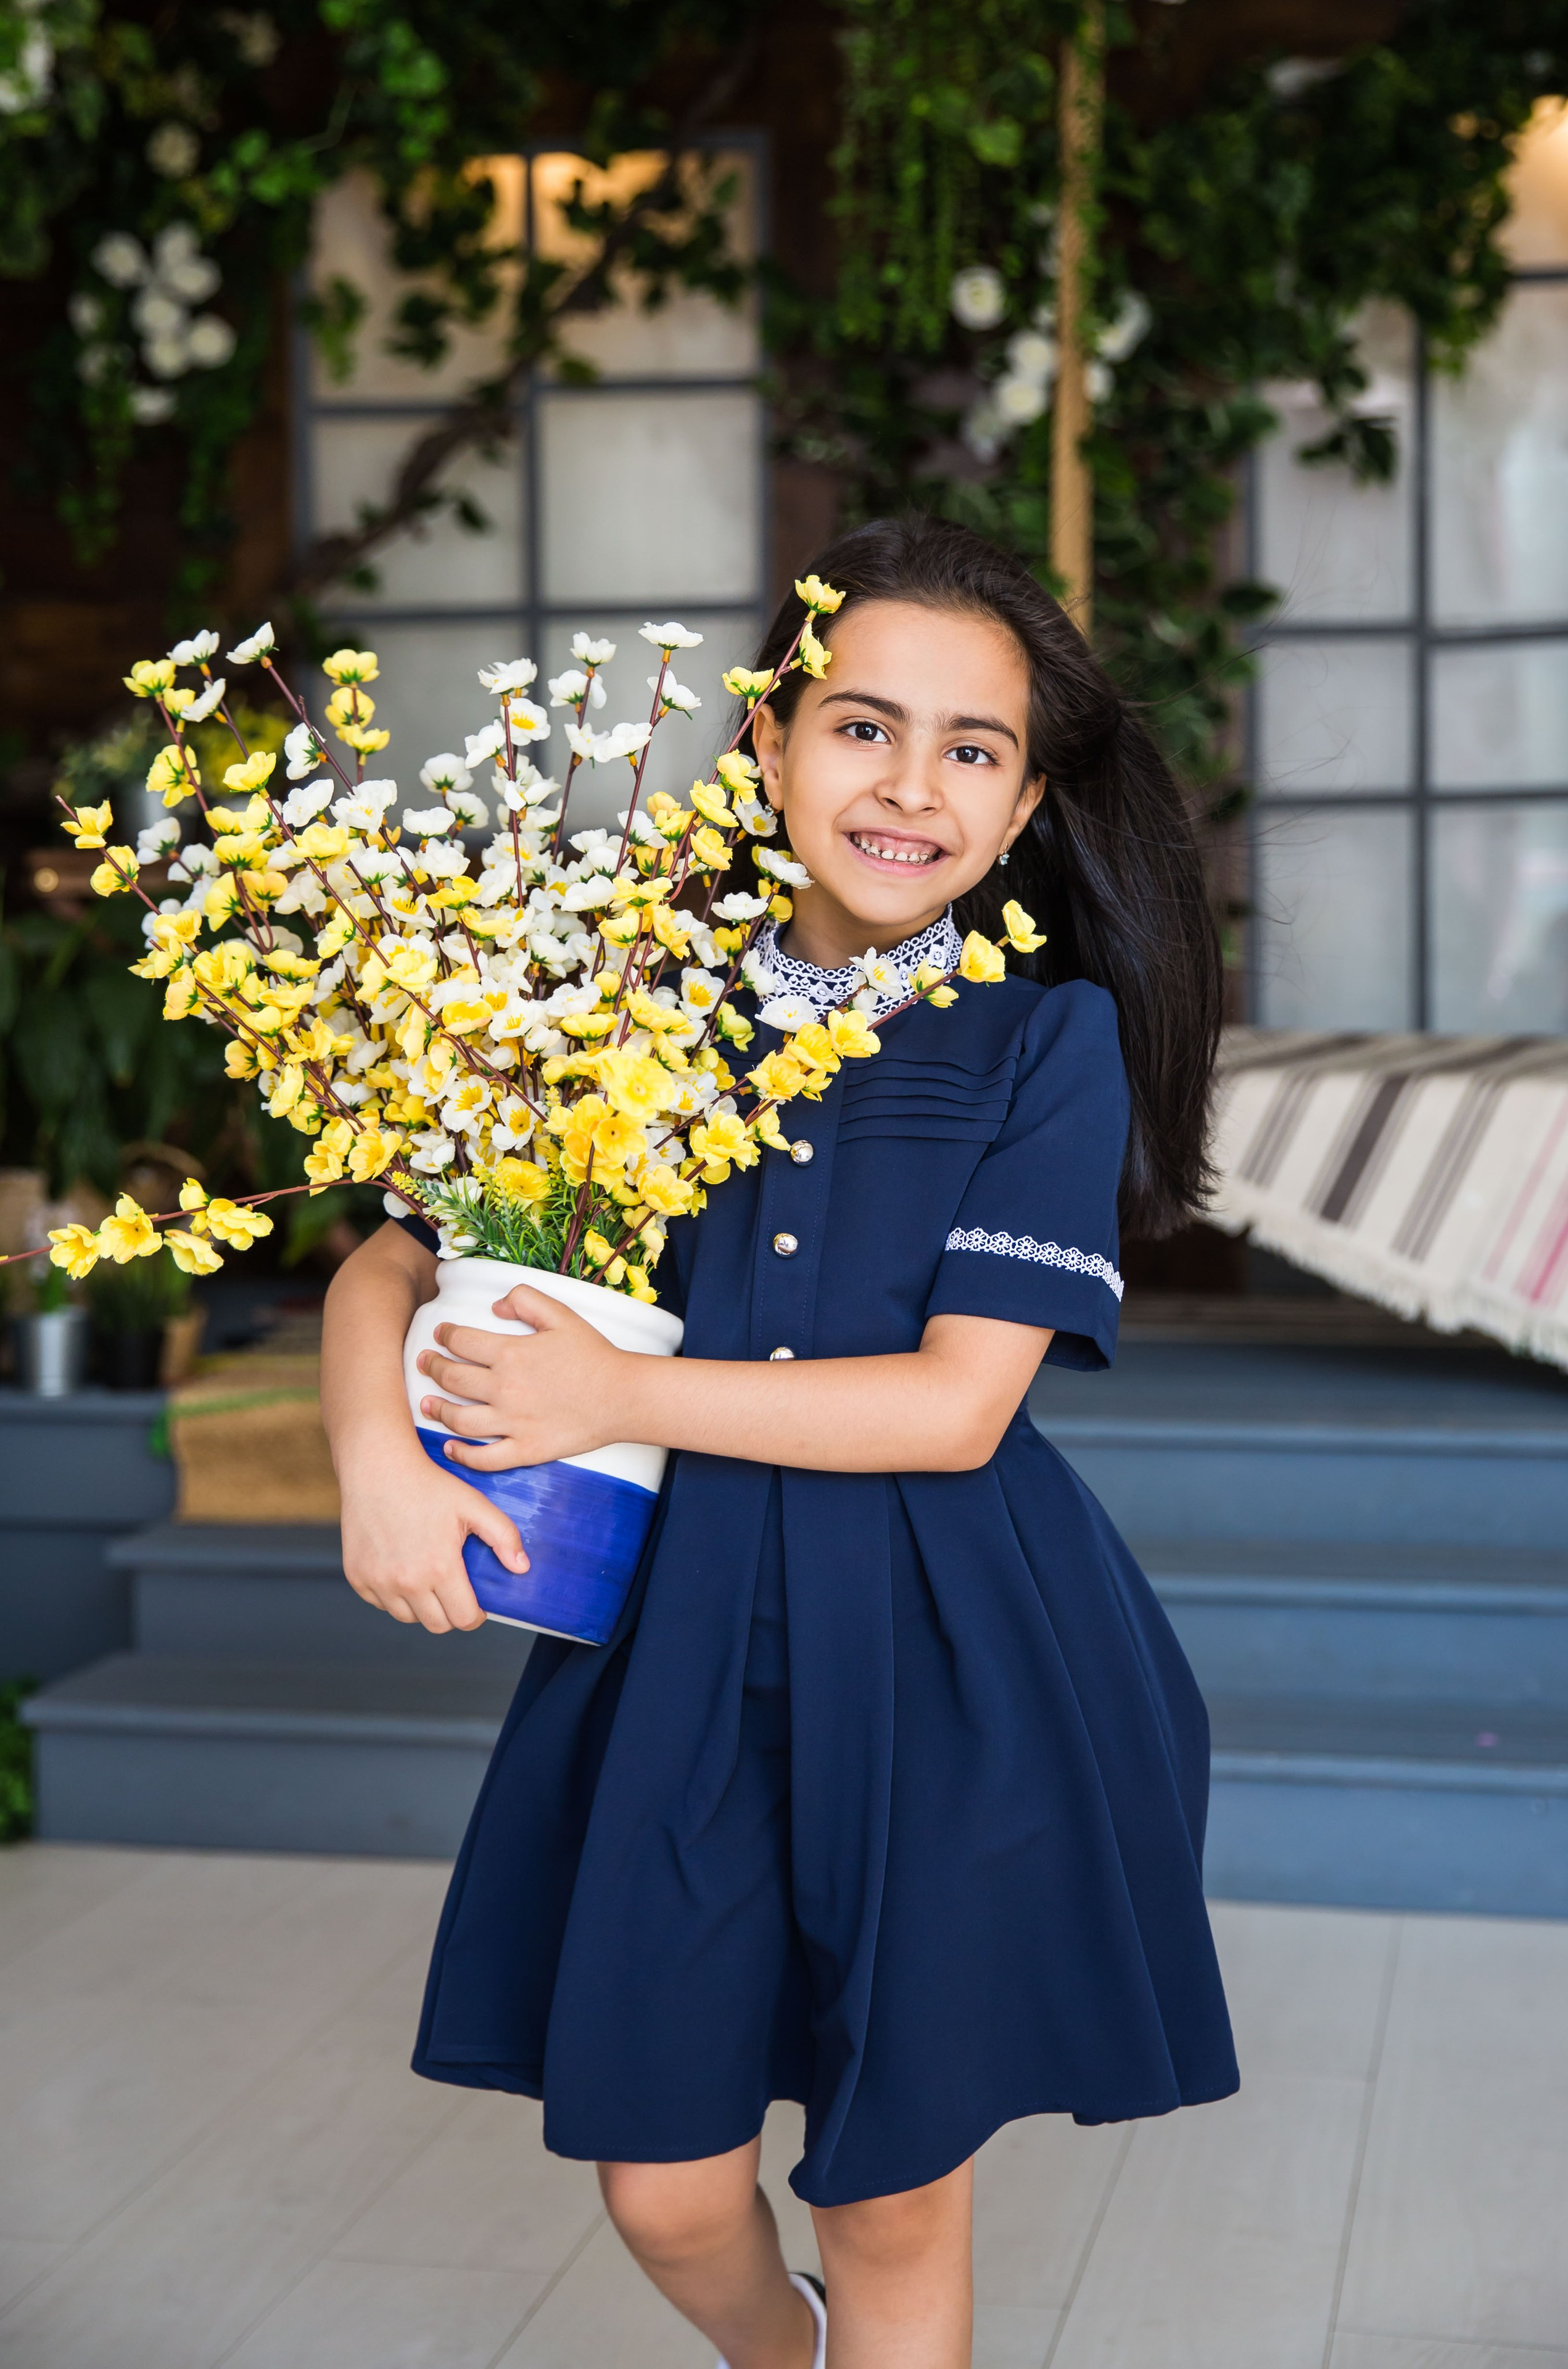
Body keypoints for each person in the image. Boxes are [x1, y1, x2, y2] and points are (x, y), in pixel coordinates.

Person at [320, 515, 1239, 2369]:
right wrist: (375, 1464)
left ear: (1029, 801)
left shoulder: (1040, 1045)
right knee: (662, 2183)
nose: (910, 788)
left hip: (961, 1660)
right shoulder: (620, 1003)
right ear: (767, 744)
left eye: (971, 751)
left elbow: (956, 1405)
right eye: (861, 727)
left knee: (890, 2189)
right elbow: (391, 1263)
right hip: (671, 1650)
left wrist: (613, 1396)